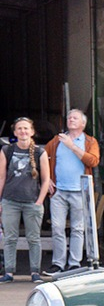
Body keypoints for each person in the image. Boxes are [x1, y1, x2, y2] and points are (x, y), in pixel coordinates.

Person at [44, 109, 100, 275]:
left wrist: (72, 146)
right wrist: (47, 180)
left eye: (75, 118)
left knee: (77, 228)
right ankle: (58, 264)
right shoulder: (56, 141)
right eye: (69, 117)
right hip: (59, 191)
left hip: (79, 191)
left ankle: (74, 263)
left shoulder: (90, 141)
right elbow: (41, 158)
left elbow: (93, 161)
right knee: (57, 228)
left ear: (83, 124)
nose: (71, 120)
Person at [0, 117, 52, 282]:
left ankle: (35, 272)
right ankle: (9, 272)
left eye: (26, 128)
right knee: (10, 237)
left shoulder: (39, 152)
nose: (23, 131)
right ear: (15, 133)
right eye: (19, 129)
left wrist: (39, 201)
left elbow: (45, 180)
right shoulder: (6, 150)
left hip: (31, 201)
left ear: (32, 132)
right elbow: (1, 177)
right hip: (10, 200)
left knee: (34, 238)